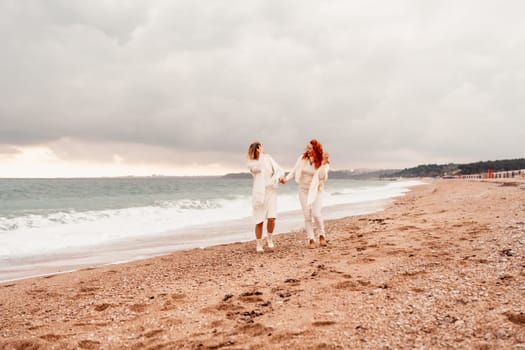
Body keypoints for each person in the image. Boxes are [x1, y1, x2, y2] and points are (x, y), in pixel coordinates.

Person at [280, 139, 330, 249]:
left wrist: (323, 164)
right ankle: (311, 239)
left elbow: (322, 176)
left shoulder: (322, 160)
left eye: (310, 148)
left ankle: (322, 235)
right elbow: (294, 171)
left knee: (316, 214)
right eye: (307, 147)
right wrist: (286, 179)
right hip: (303, 190)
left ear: (315, 149)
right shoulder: (302, 159)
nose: (307, 150)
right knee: (307, 216)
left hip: (316, 190)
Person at [247, 142, 284, 253]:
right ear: (257, 149)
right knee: (259, 221)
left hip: (271, 191)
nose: (263, 148)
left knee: (272, 218)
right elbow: (258, 168)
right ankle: (259, 244)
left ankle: (270, 239)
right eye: (261, 147)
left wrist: (280, 177)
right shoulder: (252, 163)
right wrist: (261, 155)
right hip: (259, 193)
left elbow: (278, 169)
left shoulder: (268, 158)